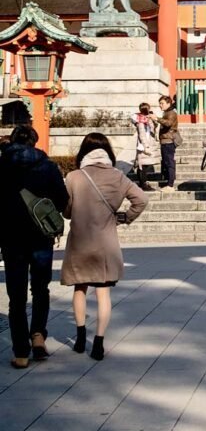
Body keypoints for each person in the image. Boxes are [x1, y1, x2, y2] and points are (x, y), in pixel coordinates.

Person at [61, 132, 147, 360]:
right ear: (107, 152)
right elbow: (142, 200)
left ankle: (80, 336)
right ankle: (98, 341)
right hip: (105, 243)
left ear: (83, 152)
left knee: (79, 289)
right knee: (103, 293)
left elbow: (67, 211)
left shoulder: (74, 177)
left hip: (80, 241)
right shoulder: (118, 177)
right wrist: (125, 217)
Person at [0, 125, 68, 369]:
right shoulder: (47, 166)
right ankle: (38, 335)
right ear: (35, 142)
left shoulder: (2, 165)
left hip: (10, 238)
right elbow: (62, 200)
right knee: (40, 288)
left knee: (16, 296)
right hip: (41, 236)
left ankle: (20, 352)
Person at [130, 102, 159, 190]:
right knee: (142, 165)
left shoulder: (148, 119)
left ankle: (143, 183)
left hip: (148, 143)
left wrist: (153, 119)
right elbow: (142, 135)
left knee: (145, 164)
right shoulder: (140, 120)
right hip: (143, 146)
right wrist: (146, 146)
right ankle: (143, 184)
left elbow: (154, 128)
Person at [158, 95, 179, 190]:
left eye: (162, 103)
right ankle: (168, 183)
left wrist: (157, 119)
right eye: (160, 103)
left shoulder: (171, 113)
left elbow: (168, 123)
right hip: (165, 140)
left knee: (169, 163)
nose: (160, 105)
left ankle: (170, 184)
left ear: (168, 103)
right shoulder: (167, 112)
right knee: (166, 163)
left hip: (168, 141)